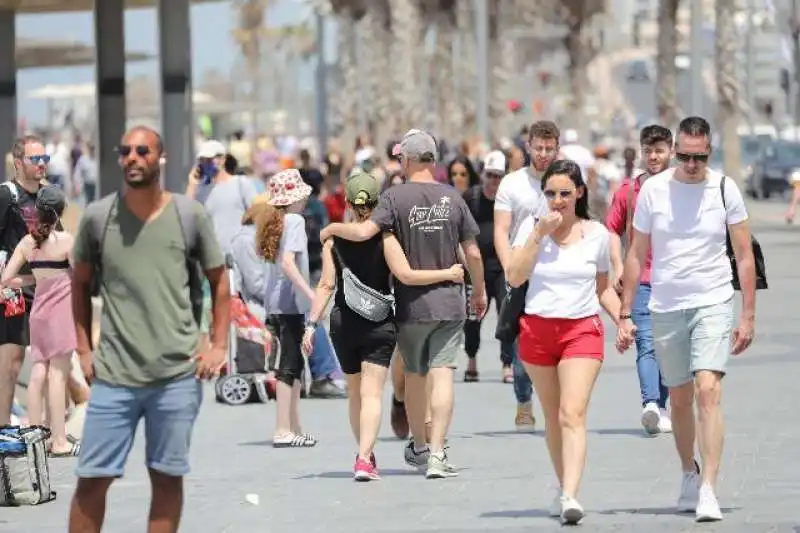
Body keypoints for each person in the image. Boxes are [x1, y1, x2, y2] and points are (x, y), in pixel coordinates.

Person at [68, 126, 229, 533]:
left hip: (175, 375)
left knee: (166, 477)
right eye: (126, 151)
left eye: (142, 151)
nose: (133, 158)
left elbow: (219, 280)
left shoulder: (188, 215)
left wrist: (218, 344)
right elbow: (80, 284)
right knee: (92, 479)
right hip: (114, 377)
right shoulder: (98, 218)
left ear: (161, 157)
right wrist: (84, 350)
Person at [321, 129, 487, 479]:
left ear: (405, 161)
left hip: (412, 307)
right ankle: (440, 451)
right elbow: (472, 251)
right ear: (434, 159)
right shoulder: (452, 198)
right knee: (443, 376)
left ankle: (422, 449)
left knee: (415, 376)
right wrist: (480, 290)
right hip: (450, 304)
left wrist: (330, 230)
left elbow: (365, 232)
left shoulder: (394, 199)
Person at [617, 116, 757, 522]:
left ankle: (709, 487)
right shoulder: (654, 191)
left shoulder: (725, 188)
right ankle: (688, 472)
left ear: (709, 152)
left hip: (713, 300)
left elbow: (744, 255)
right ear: (676, 151)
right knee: (679, 397)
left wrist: (746, 314)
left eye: (699, 157)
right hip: (665, 305)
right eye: (685, 156)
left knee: (708, 389)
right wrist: (625, 311)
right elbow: (634, 251)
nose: (692, 164)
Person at [302, 170, 464, 480]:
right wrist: (448, 273)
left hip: (343, 322)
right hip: (379, 323)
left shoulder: (333, 239)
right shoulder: (387, 237)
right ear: (378, 202)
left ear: (348, 202)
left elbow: (325, 284)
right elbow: (405, 276)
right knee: (373, 393)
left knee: (354, 393)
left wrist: (311, 325)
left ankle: (364, 455)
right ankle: (364, 459)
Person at [506, 159, 626, 525]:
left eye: (564, 194)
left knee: (572, 413)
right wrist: (538, 234)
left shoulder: (598, 235)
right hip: (538, 332)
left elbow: (603, 288)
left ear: (579, 194)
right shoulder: (532, 227)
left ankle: (572, 494)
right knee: (553, 418)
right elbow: (514, 275)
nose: (557, 201)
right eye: (550, 193)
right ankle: (563, 487)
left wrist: (623, 319)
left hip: (581, 330)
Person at [605, 125, 673, 435]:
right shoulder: (629, 191)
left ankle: (661, 406)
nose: (654, 156)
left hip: (675, 281)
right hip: (641, 279)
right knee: (646, 342)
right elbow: (611, 230)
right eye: (649, 151)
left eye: (660, 150)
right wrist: (618, 265)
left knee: (669, 347)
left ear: (671, 151)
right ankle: (650, 403)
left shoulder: (682, 187)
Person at [494, 120, 561, 432]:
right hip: (522, 272)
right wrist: (511, 269)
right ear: (529, 147)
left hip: (557, 274)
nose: (544, 154)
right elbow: (501, 229)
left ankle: (556, 406)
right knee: (523, 346)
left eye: (549, 148)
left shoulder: (566, 179)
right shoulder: (512, 184)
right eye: (539, 148)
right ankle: (524, 399)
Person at [1, 186, 78, 456]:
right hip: (61, 314)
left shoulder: (26, 243)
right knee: (58, 374)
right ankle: (59, 441)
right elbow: (83, 275)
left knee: (38, 373)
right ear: (59, 214)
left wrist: (34, 278)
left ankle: (36, 439)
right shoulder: (66, 241)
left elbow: (7, 279)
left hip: (39, 313)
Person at [262, 169, 319, 447]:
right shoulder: (294, 220)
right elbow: (288, 263)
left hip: (277, 301)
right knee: (290, 363)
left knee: (294, 362)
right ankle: (283, 428)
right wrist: (310, 293)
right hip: (290, 300)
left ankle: (294, 426)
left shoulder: (277, 221)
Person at [0, 135, 49, 426]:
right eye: (35, 159)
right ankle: (4, 428)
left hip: (43, 287)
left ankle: (42, 426)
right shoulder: (7, 195)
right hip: (14, 289)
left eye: (45, 158)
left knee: (50, 361)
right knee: (11, 362)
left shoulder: (49, 195)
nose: (42, 164)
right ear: (19, 162)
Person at [462, 150, 514, 383]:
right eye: (490, 175)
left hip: (502, 268)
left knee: (507, 316)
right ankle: (471, 362)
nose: (494, 181)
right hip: (476, 269)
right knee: (473, 319)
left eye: (498, 177)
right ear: (483, 175)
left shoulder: (510, 200)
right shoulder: (470, 198)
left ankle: (507, 364)